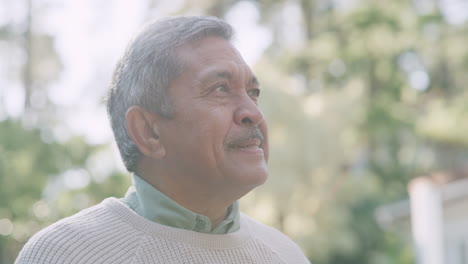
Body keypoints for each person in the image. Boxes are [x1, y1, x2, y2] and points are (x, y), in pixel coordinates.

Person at [15, 16, 310, 263]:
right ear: (149, 131)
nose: (253, 113)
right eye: (220, 89)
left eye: (253, 92)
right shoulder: (65, 255)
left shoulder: (287, 255)